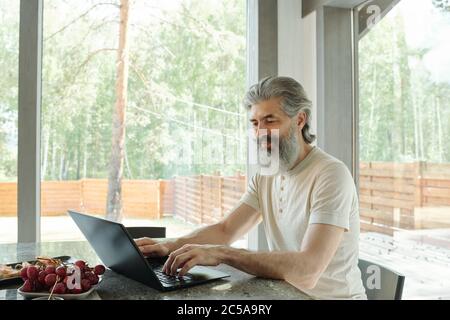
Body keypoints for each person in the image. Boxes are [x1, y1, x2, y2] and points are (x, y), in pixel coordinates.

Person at [135, 76, 367, 300]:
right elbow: (226, 230)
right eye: (255, 123)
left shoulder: (331, 174)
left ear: (299, 120)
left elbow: (307, 272)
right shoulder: (267, 173)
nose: (260, 132)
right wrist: (168, 246)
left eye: (270, 120)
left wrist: (221, 253)